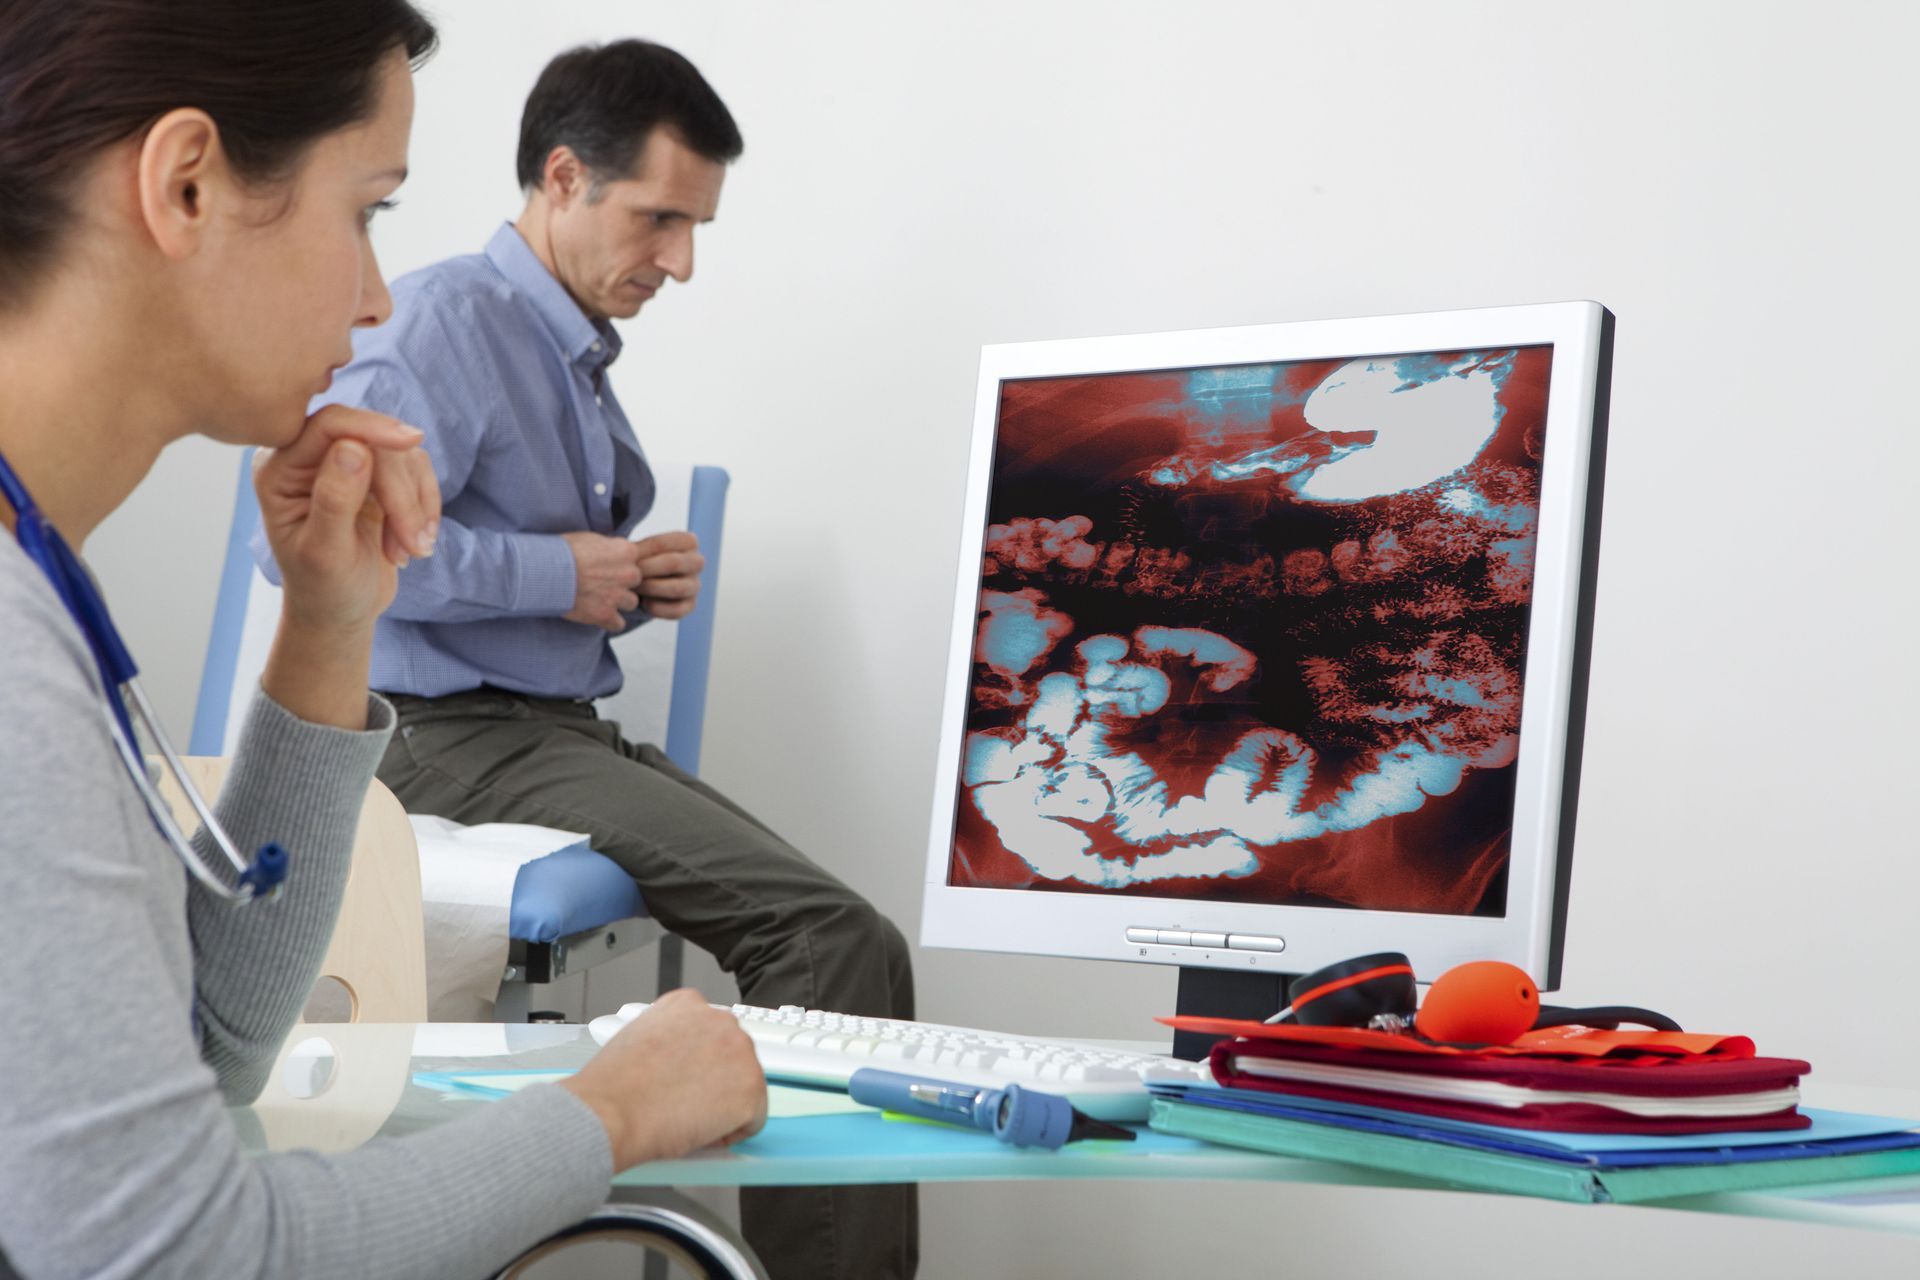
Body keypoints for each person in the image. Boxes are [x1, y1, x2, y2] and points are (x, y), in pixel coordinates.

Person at [0, 4, 765, 1277]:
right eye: (369, 212)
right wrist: (610, 1110)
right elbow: (184, 1255)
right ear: (186, 184)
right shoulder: (16, 657)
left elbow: (212, 1039)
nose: (371, 299)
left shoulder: (46, 601)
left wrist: (327, 626)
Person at [265, 38, 918, 1280]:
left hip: (536, 726)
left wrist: (620, 589)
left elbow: (489, 547)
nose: (679, 260)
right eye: (659, 218)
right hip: (439, 733)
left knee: (853, 935)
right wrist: (565, 572)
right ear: (563, 176)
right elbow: (312, 546)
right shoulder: (445, 319)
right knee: (832, 936)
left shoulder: (564, 350)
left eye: (694, 226)